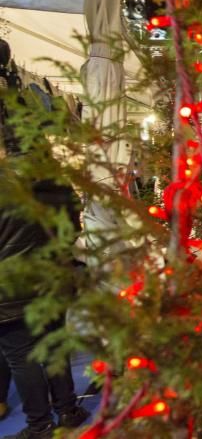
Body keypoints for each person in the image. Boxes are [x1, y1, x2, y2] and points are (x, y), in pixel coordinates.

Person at [0, 179, 91, 438]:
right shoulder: (55, 181)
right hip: (52, 277)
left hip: (9, 286)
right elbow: (73, 229)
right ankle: (68, 410)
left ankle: (40, 425)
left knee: (21, 356)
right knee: (55, 345)